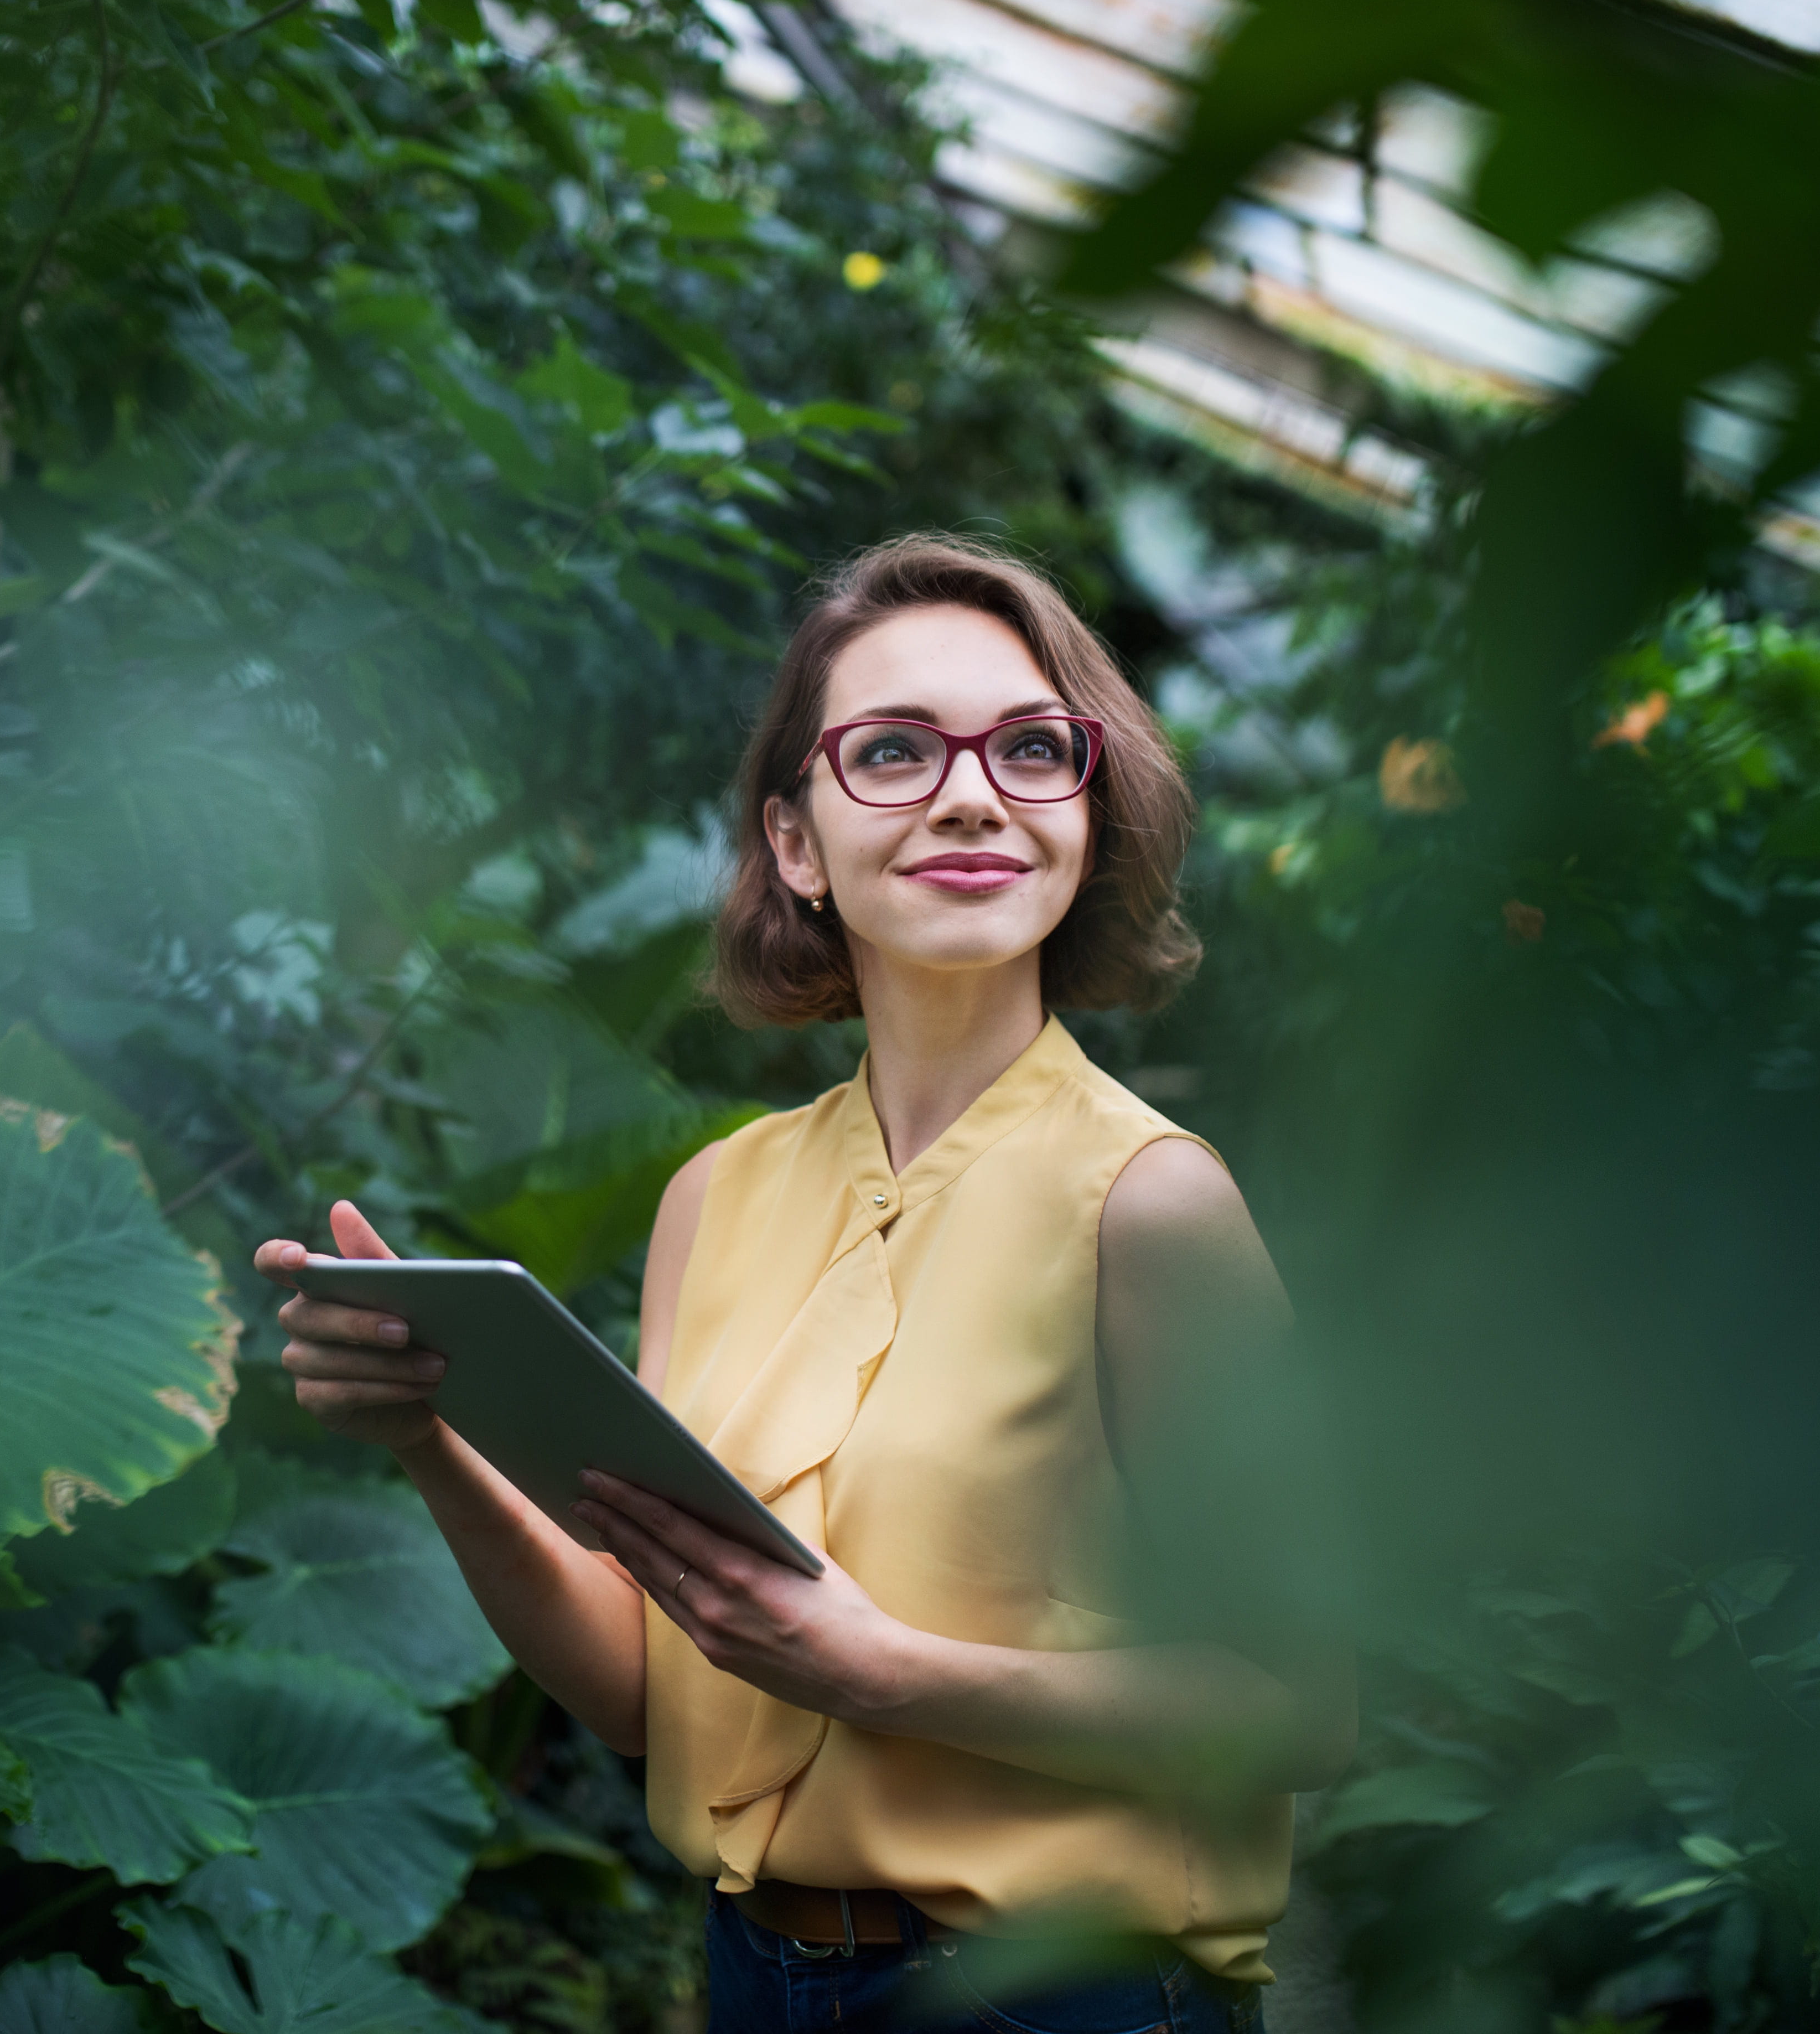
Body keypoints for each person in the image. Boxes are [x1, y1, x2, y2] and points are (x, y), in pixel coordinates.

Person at [256, 535, 1352, 2033]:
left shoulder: (1154, 1203)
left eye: (1033, 749)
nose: (972, 795)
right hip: (757, 1978)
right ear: (794, 841)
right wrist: (428, 1438)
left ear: (1088, 815)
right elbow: (643, 1689)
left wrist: (889, 1674)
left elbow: (1303, 1711)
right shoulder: (716, 1197)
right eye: (893, 751)